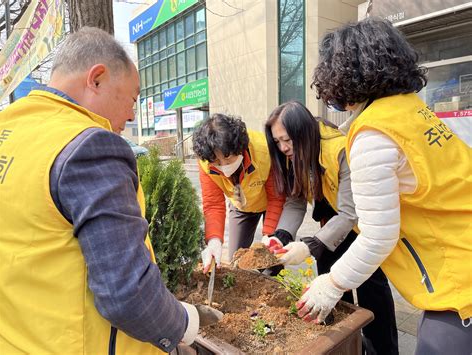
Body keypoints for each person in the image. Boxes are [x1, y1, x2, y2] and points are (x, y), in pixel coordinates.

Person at [0, 27, 218, 354]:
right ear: (96, 79)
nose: (131, 115)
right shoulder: (90, 147)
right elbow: (127, 294)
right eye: (132, 98)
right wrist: (184, 324)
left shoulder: (9, 128)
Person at [303, 17, 472, 354]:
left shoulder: (373, 134)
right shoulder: (412, 109)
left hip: (459, 286)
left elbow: (379, 234)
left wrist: (332, 284)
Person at [264, 101, 398, 354]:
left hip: (361, 233)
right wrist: (281, 236)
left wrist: (309, 246)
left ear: (303, 131)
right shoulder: (294, 154)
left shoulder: (341, 149)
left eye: (287, 140)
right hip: (328, 228)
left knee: (372, 293)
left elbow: (350, 213)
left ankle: (382, 350)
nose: (283, 148)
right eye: (277, 142)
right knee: (333, 297)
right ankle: (346, 347)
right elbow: (295, 200)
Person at [192, 114, 285, 273]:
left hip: (268, 201)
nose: (223, 167)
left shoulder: (264, 150)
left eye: (227, 160)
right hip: (240, 204)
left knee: (271, 262)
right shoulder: (206, 162)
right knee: (236, 260)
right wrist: (214, 240)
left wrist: (268, 235)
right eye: (217, 162)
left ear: (240, 149)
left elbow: (276, 198)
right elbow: (213, 205)